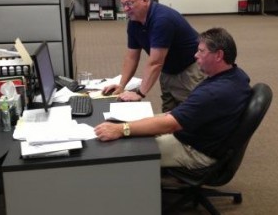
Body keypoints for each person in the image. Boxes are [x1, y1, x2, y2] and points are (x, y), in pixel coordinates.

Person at [95, 28, 252, 169]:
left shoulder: (213, 93)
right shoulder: (237, 75)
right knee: (134, 126)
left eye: (201, 51)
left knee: (129, 150)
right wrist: (125, 127)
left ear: (218, 55)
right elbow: (176, 117)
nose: (195, 55)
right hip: (200, 134)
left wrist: (121, 130)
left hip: (195, 150)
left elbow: (170, 124)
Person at [103, 0, 204, 112]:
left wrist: (139, 94)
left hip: (189, 68)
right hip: (168, 68)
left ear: (145, 0)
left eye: (129, 3)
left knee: (192, 112)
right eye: (123, 5)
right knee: (169, 110)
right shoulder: (134, 22)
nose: (125, 9)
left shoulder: (162, 19)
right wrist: (122, 85)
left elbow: (155, 63)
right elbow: (131, 57)